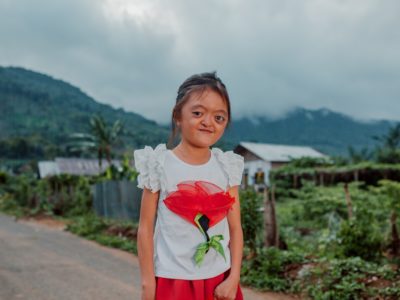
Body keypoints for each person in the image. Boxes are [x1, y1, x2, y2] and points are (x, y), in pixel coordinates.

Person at [134, 72, 245, 300]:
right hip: (173, 282)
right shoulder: (159, 164)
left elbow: (235, 228)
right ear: (178, 116)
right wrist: (148, 285)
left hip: (219, 281)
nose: (208, 122)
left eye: (219, 118)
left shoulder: (227, 166)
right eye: (197, 113)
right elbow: (145, 228)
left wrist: (233, 279)